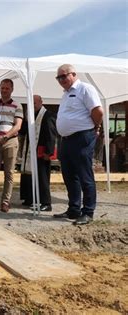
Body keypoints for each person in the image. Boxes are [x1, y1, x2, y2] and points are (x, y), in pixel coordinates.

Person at [53, 64, 103, 225]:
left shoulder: (85, 89)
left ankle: (88, 211)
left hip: (82, 137)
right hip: (66, 140)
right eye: (58, 77)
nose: (61, 80)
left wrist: (95, 127)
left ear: (73, 74)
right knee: (69, 176)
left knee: (84, 175)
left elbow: (98, 111)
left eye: (64, 76)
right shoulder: (66, 94)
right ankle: (74, 209)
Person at [0, 79, 23, 213]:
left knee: (9, 173)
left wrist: (6, 136)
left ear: (12, 89)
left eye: (7, 88)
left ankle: (5, 201)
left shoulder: (17, 105)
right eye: (2, 88)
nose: (4, 90)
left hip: (10, 141)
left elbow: (18, 125)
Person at [20, 95, 57, 212]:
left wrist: (49, 152)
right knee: (28, 175)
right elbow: (23, 132)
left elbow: (51, 134)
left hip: (42, 151)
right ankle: (29, 198)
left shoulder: (48, 115)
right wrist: (25, 120)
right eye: (30, 104)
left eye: (35, 103)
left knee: (42, 177)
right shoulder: (30, 116)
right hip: (30, 150)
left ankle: (46, 202)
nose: (33, 106)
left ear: (41, 102)